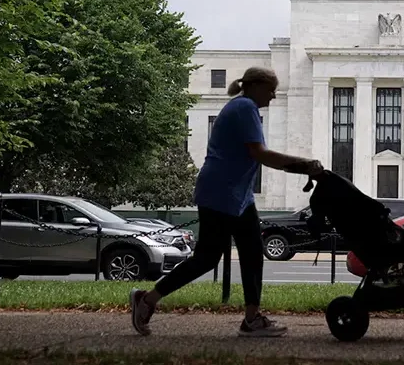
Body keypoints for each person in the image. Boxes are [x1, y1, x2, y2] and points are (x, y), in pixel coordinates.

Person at [129, 66, 323, 338]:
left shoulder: (243, 108)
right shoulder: (244, 107)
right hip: (222, 193)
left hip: (236, 195)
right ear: (255, 86)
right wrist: (303, 165)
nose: (274, 97)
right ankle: (147, 299)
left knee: (253, 252)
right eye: (271, 90)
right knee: (207, 258)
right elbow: (260, 154)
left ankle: (252, 319)